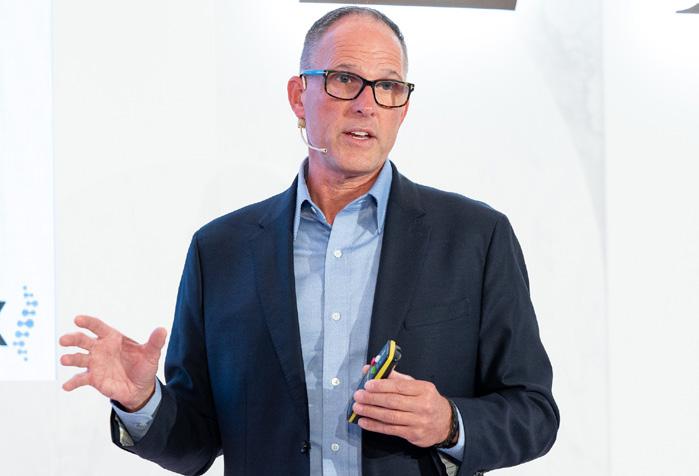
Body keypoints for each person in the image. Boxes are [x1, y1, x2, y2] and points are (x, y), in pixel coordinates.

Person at [59, 7, 559, 476]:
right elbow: (195, 442)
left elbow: (534, 412)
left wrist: (448, 422)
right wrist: (143, 401)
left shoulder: (475, 237)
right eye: (344, 80)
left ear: (403, 108)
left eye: (387, 86)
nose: (366, 104)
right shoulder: (221, 251)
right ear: (299, 96)